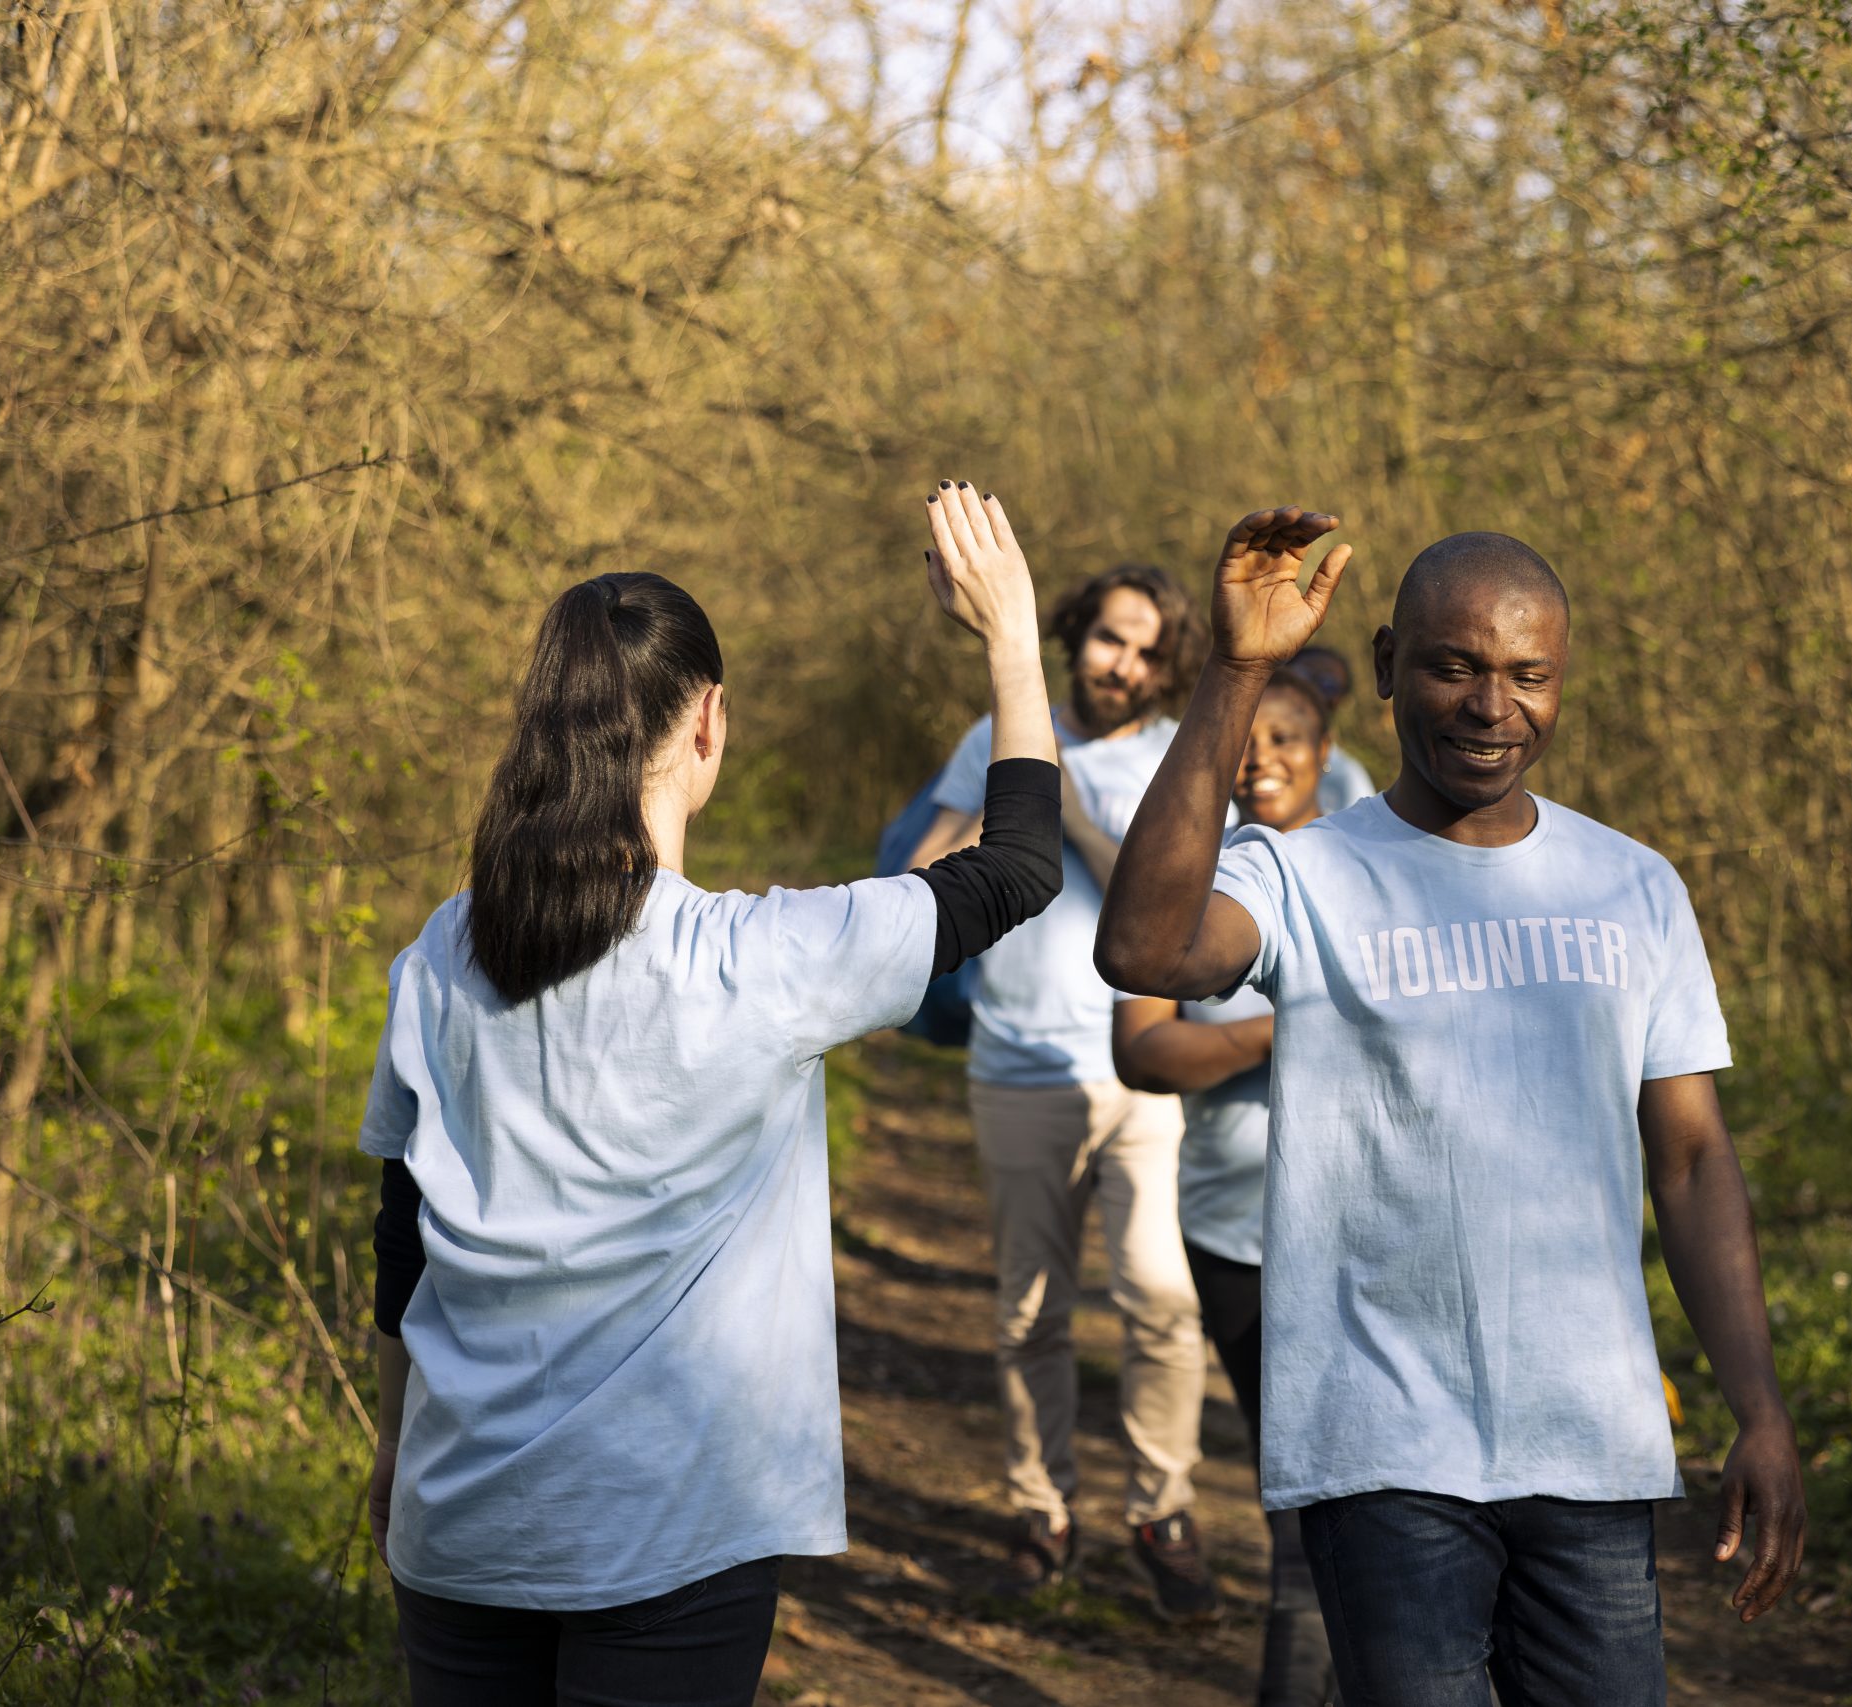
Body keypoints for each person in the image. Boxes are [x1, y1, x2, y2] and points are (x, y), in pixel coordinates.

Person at [359, 483, 1064, 1707]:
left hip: (456, 1519)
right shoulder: (765, 960)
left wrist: (389, 1450)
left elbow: (398, 1231)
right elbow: (1018, 869)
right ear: (709, 726)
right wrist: (1010, 637)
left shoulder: (445, 949)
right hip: (669, 1533)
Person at [1095, 509, 1809, 1705]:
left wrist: (1761, 1410)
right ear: (1385, 668)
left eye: (1527, 675)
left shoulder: (1633, 888)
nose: (1492, 706)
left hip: (1590, 1441)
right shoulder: (1304, 873)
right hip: (1380, 1444)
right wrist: (1235, 669)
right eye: (1453, 667)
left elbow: (1688, 1161)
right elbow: (1144, 944)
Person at [902, 562, 1222, 1614]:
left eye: (1144, 652)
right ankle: (1041, 1509)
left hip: (1139, 1075)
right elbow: (930, 867)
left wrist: (1071, 815)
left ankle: (1162, 1508)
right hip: (1017, 1069)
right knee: (1029, 1311)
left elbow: (1162, 906)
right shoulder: (998, 730)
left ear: (1163, 669)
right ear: (1074, 637)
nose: (1122, 665)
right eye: (1107, 640)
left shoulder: (1175, 760)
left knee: (1162, 1302)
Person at [1112, 667, 1337, 1707]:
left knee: (1374, 1506)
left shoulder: (1365, 868)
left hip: (1361, 1237)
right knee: (1300, 1510)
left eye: (1286, 738)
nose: (1263, 758)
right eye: (1246, 738)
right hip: (1238, 1238)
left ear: (1327, 753)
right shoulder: (1180, 881)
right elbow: (1145, 1054)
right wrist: (1283, 1034)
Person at [1290, 644, 1378, 812]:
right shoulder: (1240, 753)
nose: (1311, 689)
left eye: (1328, 684)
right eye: (1302, 675)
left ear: (1339, 700)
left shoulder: (1346, 777)